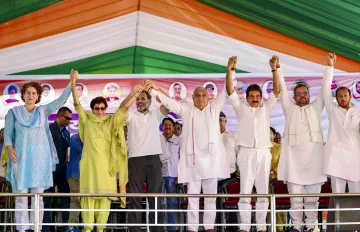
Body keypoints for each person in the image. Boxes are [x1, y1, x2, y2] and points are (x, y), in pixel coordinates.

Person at [152, 77, 230, 232]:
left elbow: (227, 91)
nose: (201, 98)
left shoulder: (214, 108)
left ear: (209, 98)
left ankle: (209, 228)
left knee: (210, 199)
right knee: (192, 199)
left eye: (204, 95)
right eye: (197, 95)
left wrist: (230, 70)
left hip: (211, 162)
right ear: (192, 98)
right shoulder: (186, 109)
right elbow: (168, 102)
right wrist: (153, 90)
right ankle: (192, 228)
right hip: (192, 163)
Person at [4, 72, 76, 232]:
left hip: (40, 160)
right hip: (20, 158)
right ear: (23, 95)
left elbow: (61, 101)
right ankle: (22, 229)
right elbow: (8, 134)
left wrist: (72, 82)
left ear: (37, 97)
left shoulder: (43, 111)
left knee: (39, 198)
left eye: (34, 93)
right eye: (28, 93)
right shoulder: (13, 113)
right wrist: (10, 148)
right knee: (21, 197)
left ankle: (36, 228)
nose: (31, 95)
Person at [226, 56, 280, 232]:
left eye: (258, 96)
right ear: (247, 98)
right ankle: (244, 228)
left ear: (261, 97)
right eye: (252, 97)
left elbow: (277, 91)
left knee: (263, 192)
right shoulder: (240, 108)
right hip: (246, 153)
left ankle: (262, 227)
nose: (255, 99)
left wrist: (274, 69)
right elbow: (230, 90)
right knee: (245, 192)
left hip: (264, 152)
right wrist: (230, 69)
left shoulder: (266, 108)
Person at [277, 55, 330, 232]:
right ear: (295, 96)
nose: (302, 96)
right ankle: (297, 227)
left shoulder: (316, 107)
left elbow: (325, 90)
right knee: (296, 200)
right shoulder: (289, 108)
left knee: (312, 200)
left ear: (308, 95)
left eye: (304, 93)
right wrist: (277, 69)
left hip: (314, 161)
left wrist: (329, 67)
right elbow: (282, 89)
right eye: (298, 94)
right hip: (294, 162)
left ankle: (311, 227)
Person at [71, 71, 128, 232]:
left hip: (106, 170)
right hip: (89, 168)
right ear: (92, 109)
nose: (100, 111)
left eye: (103, 108)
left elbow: (124, 108)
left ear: (106, 108)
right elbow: (76, 104)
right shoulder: (86, 119)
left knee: (104, 204)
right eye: (97, 108)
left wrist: (135, 92)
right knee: (87, 203)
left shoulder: (111, 122)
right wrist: (73, 83)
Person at [120, 81, 169, 232]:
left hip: (154, 158)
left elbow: (169, 104)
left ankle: (157, 230)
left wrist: (156, 88)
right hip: (136, 159)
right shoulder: (131, 116)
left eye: (143, 98)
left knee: (155, 198)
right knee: (135, 197)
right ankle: (134, 230)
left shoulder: (156, 114)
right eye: (138, 99)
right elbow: (121, 109)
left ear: (150, 101)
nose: (140, 101)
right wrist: (133, 93)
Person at [322, 53, 360, 193]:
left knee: (356, 194)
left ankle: (356, 216)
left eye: (345, 95)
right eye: (340, 96)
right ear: (336, 98)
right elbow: (326, 89)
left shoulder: (358, 112)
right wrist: (330, 66)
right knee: (338, 194)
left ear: (350, 97)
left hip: (355, 156)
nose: (343, 98)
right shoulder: (333, 110)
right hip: (336, 158)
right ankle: (338, 216)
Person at [43, 107, 73, 232]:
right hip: (48, 170)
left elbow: (67, 152)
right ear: (59, 116)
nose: (69, 121)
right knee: (47, 200)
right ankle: (47, 229)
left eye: (71, 119)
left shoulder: (67, 133)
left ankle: (67, 227)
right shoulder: (48, 129)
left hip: (62, 170)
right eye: (67, 118)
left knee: (65, 198)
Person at [160, 117, 181, 232]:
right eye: (165, 125)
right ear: (162, 127)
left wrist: (181, 176)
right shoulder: (157, 139)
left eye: (170, 125)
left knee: (172, 202)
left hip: (173, 176)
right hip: (159, 176)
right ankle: (159, 227)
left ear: (173, 128)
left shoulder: (179, 141)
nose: (167, 127)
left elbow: (182, 159)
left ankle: (172, 228)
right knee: (159, 202)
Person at [269, 127, 285, 232]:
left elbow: (283, 164)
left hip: (275, 181)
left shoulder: (279, 148)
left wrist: (274, 171)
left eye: (269, 133)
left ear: (274, 135)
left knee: (277, 207)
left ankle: (279, 229)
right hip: (259, 182)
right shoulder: (258, 146)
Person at [66, 133, 83, 232]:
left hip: (86, 176)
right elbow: (83, 150)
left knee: (86, 201)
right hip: (74, 175)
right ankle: (72, 227)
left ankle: (87, 227)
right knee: (76, 200)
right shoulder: (75, 138)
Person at [219, 111, 237, 177]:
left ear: (225, 121)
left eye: (220, 120)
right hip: (216, 171)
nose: (218, 122)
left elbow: (238, 151)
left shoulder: (233, 135)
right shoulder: (211, 136)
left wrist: (240, 169)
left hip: (231, 170)